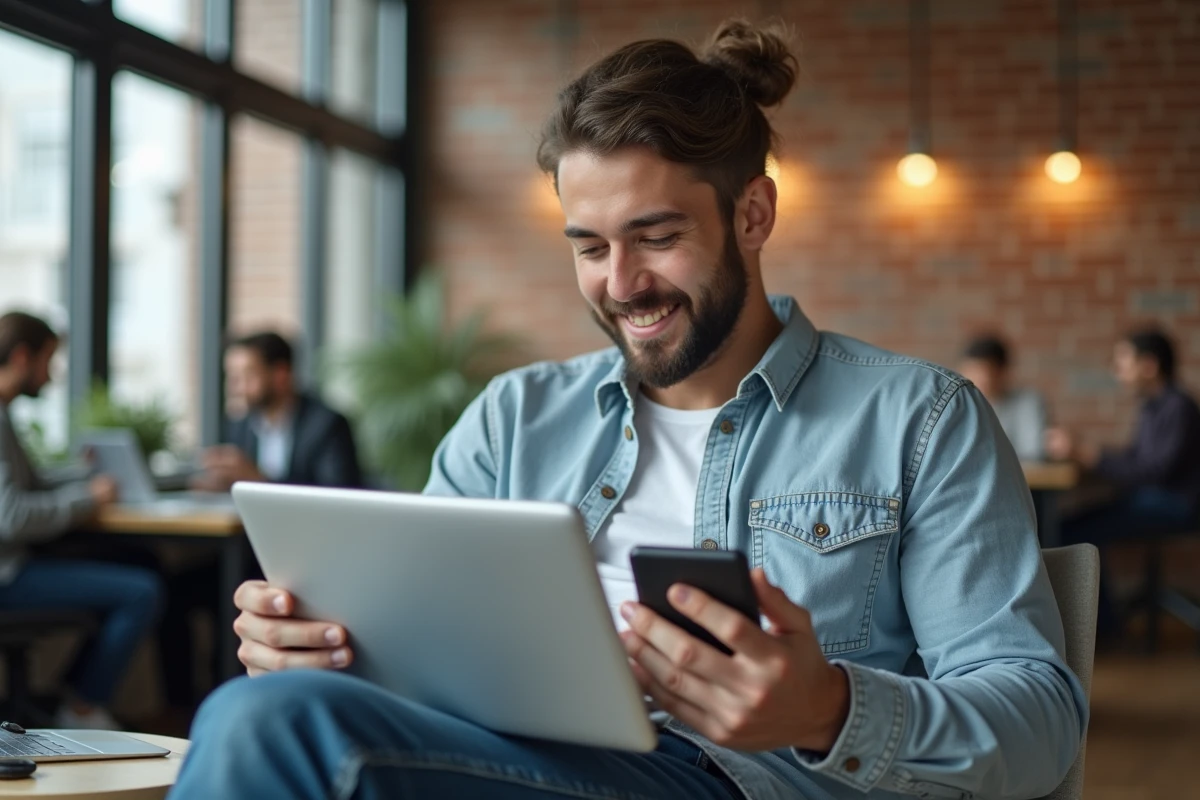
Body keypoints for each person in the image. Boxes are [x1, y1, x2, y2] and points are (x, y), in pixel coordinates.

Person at [171, 20, 1086, 800]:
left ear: (753, 215)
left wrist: (827, 708)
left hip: (742, 781)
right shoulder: (513, 419)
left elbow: (1041, 722)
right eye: (590, 247)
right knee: (270, 709)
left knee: (265, 729)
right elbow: (416, 653)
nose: (621, 284)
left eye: (657, 237)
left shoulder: (920, 421)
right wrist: (319, 647)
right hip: (507, 764)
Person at [0, 311, 162, 730]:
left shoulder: (4, 413)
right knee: (140, 591)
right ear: (22, 357)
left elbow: (30, 483)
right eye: (48, 361)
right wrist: (89, 498)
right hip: (7, 577)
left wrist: (81, 472)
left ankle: (66, 701)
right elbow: (11, 516)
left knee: (137, 563)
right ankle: (82, 707)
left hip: (14, 566)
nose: (51, 375)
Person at [1045, 328, 1200, 630]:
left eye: (1123, 362)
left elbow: (1155, 471)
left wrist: (1089, 455)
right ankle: (1104, 622)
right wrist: (1087, 454)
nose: (1118, 371)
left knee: (1075, 531)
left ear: (1149, 365)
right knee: (1072, 524)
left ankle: (1101, 626)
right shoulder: (1152, 406)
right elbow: (1136, 459)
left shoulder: (1179, 407)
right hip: (1151, 500)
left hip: (1175, 506)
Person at [191, 331, 363, 493]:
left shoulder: (326, 425)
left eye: (248, 375)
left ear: (280, 375)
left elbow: (336, 494)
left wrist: (259, 480)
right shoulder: (239, 425)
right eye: (232, 376)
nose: (236, 387)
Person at [959, 334, 1048, 461]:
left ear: (1002, 371)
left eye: (982, 372)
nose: (974, 379)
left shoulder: (1028, 403)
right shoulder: (959, 407)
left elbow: (1033, 451)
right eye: (970, 371)